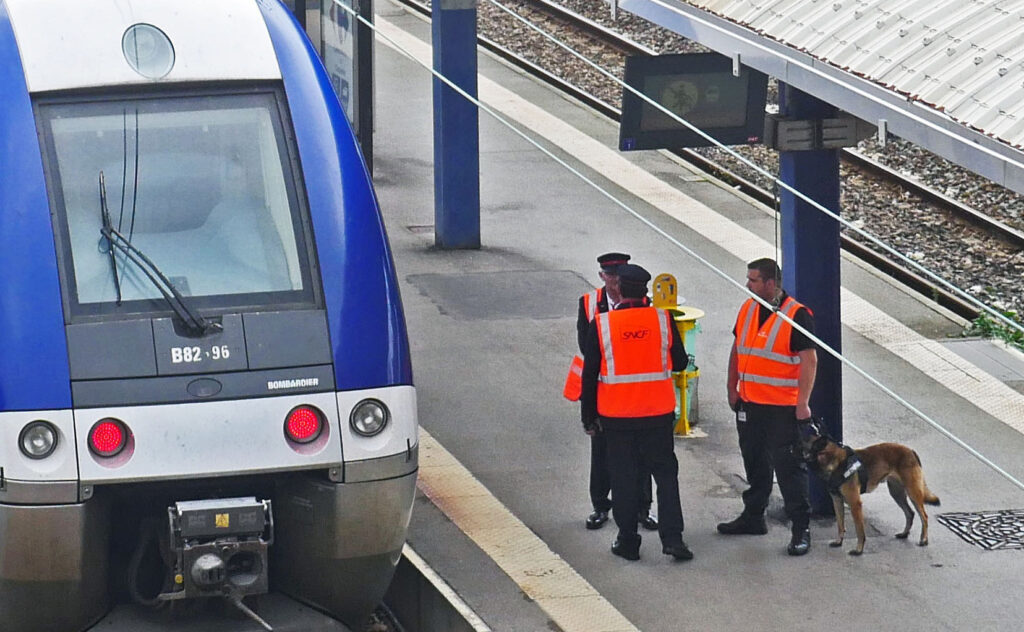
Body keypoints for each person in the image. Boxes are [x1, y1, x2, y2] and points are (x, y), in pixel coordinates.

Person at [580, 264, 692, 561]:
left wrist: (588, 418)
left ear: (619, 290)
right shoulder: (663, 320)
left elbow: (589, 376)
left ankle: (628, 541)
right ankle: (673, 540)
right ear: (646, 291)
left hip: (617, 419)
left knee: (624, 479)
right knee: (666, 476)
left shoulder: (602, 325)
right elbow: (680, 362)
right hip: (657, 416)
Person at [718, 258, 818, 556]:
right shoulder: (748, 308)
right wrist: (731, 387)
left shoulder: (797, 315)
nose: (747, 285)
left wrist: (802, 404)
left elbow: (809, 362)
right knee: (755, 463)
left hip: (781, 410)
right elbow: (738, 350)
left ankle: (801, 528)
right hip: (750, 404)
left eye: (753, 280)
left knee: (789, 469)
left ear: (771, 283)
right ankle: (753, 516)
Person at [573, 253, 657, 532]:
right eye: (610, 277)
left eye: (619, 277)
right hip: (603, 393)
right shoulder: (588, 305)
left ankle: (643, 508)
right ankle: (600, 505)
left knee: (642, 456)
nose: (615, 283)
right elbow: (587, 352)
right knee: (601, 453)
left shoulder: (642, 305)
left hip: (637, 395)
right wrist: (589, 412)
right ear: (602, 277)